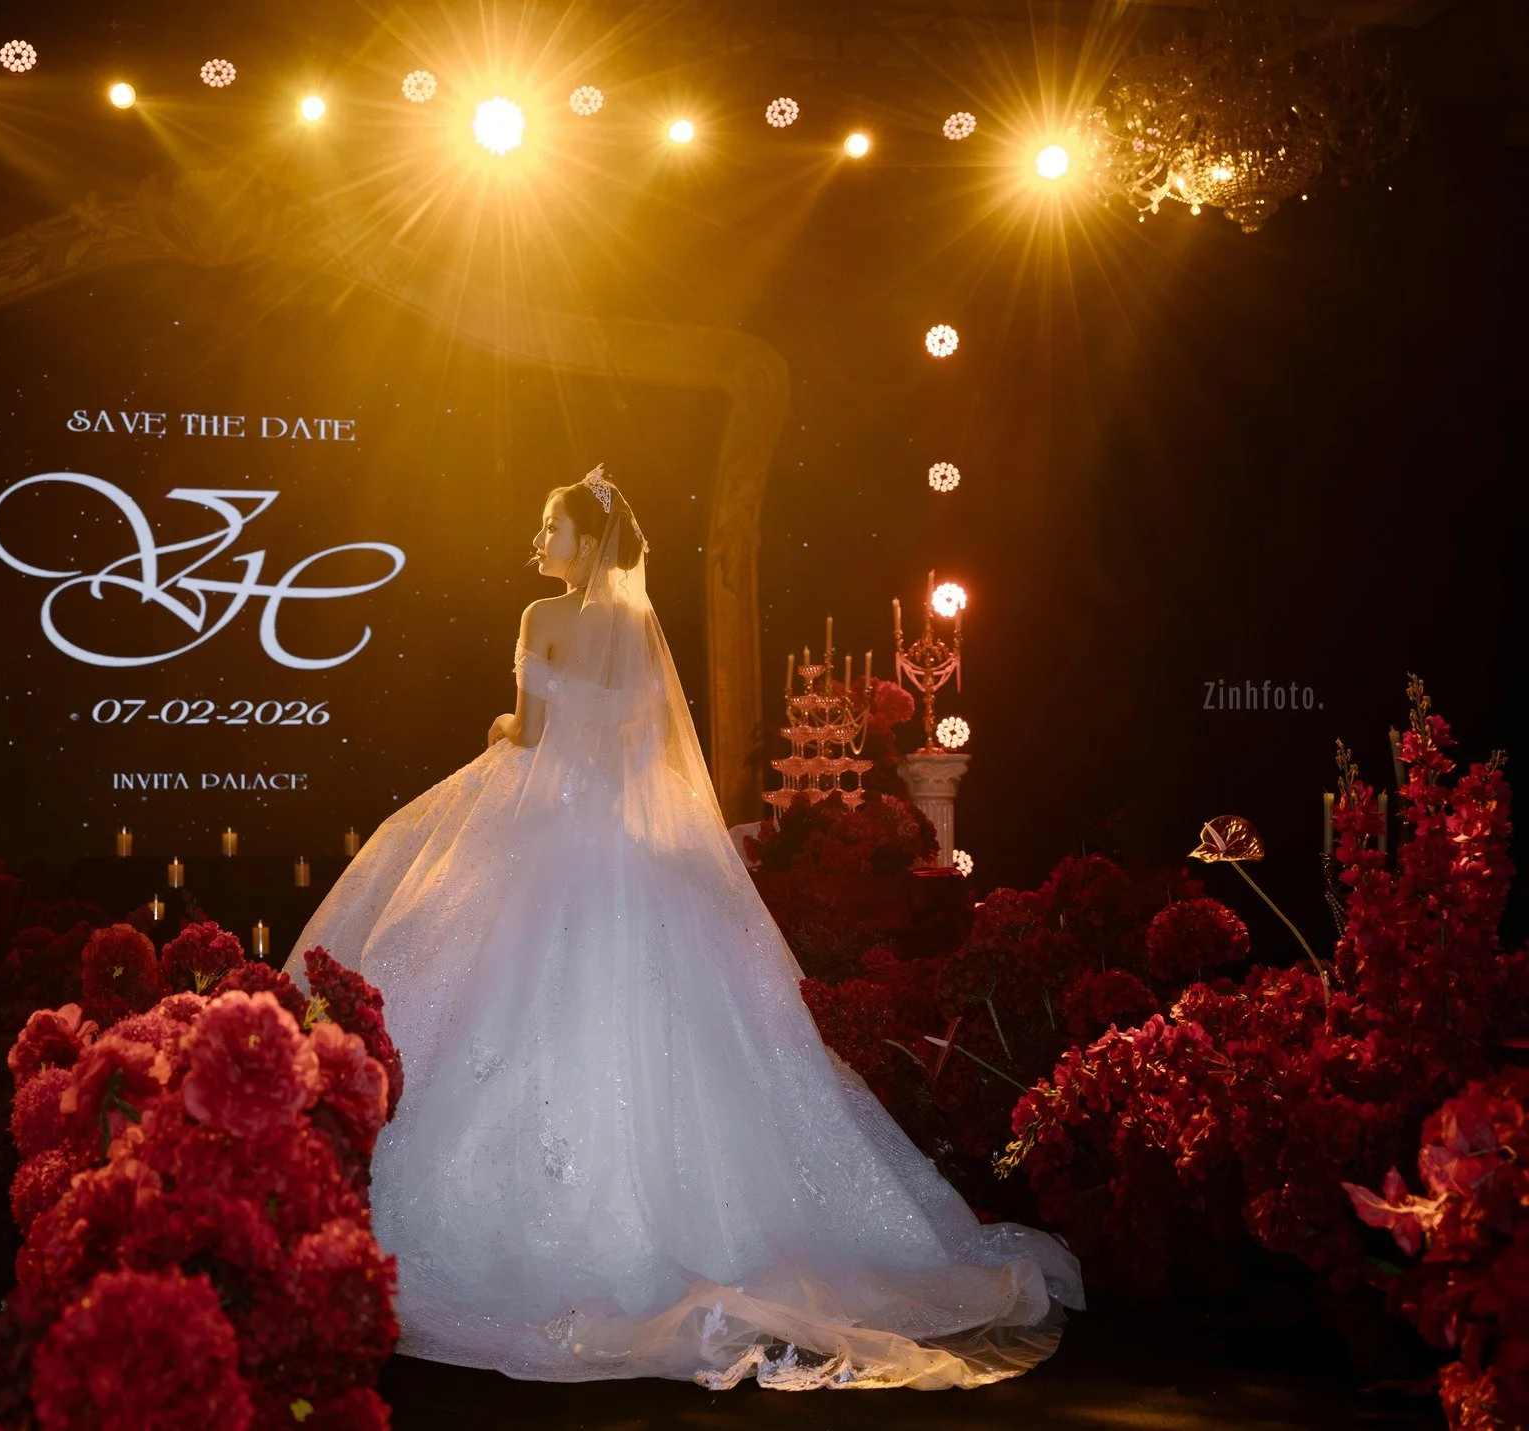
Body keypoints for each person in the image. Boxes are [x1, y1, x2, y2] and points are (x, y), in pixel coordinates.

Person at [282, 466, 1082, 1390]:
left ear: (587, 542)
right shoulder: (635, 630)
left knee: (471, 968)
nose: (538, 544)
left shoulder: (544, 621)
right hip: (627, 844)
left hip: (547, 835)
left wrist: (505, 723)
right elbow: (648, 752)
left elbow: (533, 736)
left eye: (551, 529)